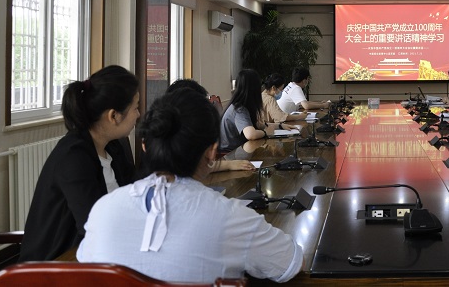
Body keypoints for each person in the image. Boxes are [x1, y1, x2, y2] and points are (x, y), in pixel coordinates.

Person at [77, 87, 303, 283]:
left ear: (145, 145)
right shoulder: (230, 217)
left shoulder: (103, 209)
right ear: (212, 152)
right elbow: (290, 263)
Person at [20, 65, 139, 261]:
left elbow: (133, 197)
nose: (138, 114)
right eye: (135, 107)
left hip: (97, 253)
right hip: (56, 264)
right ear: (114, 116)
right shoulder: (73, 158)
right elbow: (92, 226)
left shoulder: (113, 146)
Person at [167, 78, 254, 172]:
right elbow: (189, 167)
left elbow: (197, 164)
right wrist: (229, 164)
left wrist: (229, 164)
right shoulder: (172, 133)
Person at [220, 69, 279, 152]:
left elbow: (259, 125)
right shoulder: (239, 109)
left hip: (238, 151)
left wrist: (280, 126)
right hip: (230, 154)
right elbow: (250, 134)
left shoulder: (241, 105)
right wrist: (266, 132)